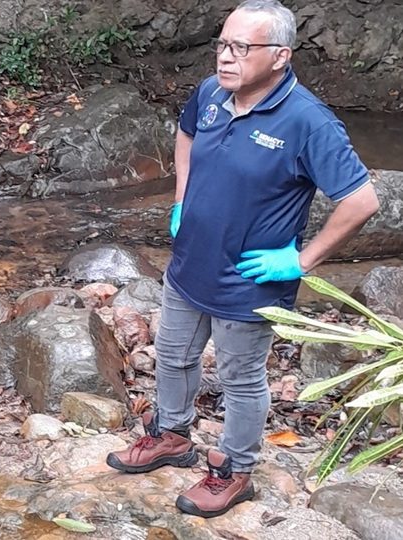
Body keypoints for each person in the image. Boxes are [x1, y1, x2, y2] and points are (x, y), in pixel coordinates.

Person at [106, 0, 380, 518]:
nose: (225, 58)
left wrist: (302, 261)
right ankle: (170, 434)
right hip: (190, 265)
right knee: (175, 355)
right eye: (222, 44)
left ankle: (235, 470)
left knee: (240, 378)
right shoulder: (212, 94)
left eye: (241, 48)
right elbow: (186, 134)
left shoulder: (309, 122)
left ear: (280, 56)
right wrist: (182, 199)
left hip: (249, 282)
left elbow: (362, 201)